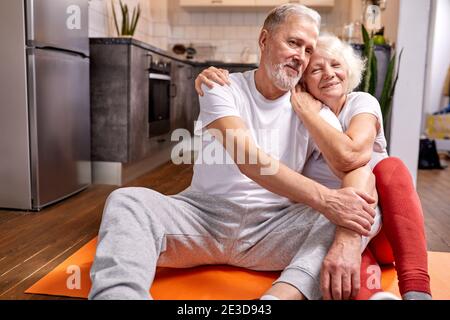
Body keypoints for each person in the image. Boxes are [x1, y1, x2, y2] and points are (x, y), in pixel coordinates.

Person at [89, 4, 380, 300]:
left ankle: (278, 299)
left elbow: (357, 170)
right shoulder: (221, 86)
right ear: (264, 40)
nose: (300, 56)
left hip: (274, 228)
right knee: (127, 201)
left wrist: (347, 235)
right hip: (202, 219)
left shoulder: (311, 109)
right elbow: (249, 160)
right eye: (293, 42)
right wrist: (328, 200)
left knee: (365, 210)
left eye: (308, 50)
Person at [195, 33, 432, 300]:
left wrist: (309, 112)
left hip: (381, 228)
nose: (328, 74)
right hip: (331, 229)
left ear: (348, 70)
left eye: (336, 65)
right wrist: (214, 76)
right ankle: (373, 296)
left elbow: (350, 156)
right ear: (303, 81)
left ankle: (417, 291)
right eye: (316, 69)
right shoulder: (291, 115)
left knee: (390, 168)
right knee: (330, 229)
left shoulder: (361, 103)